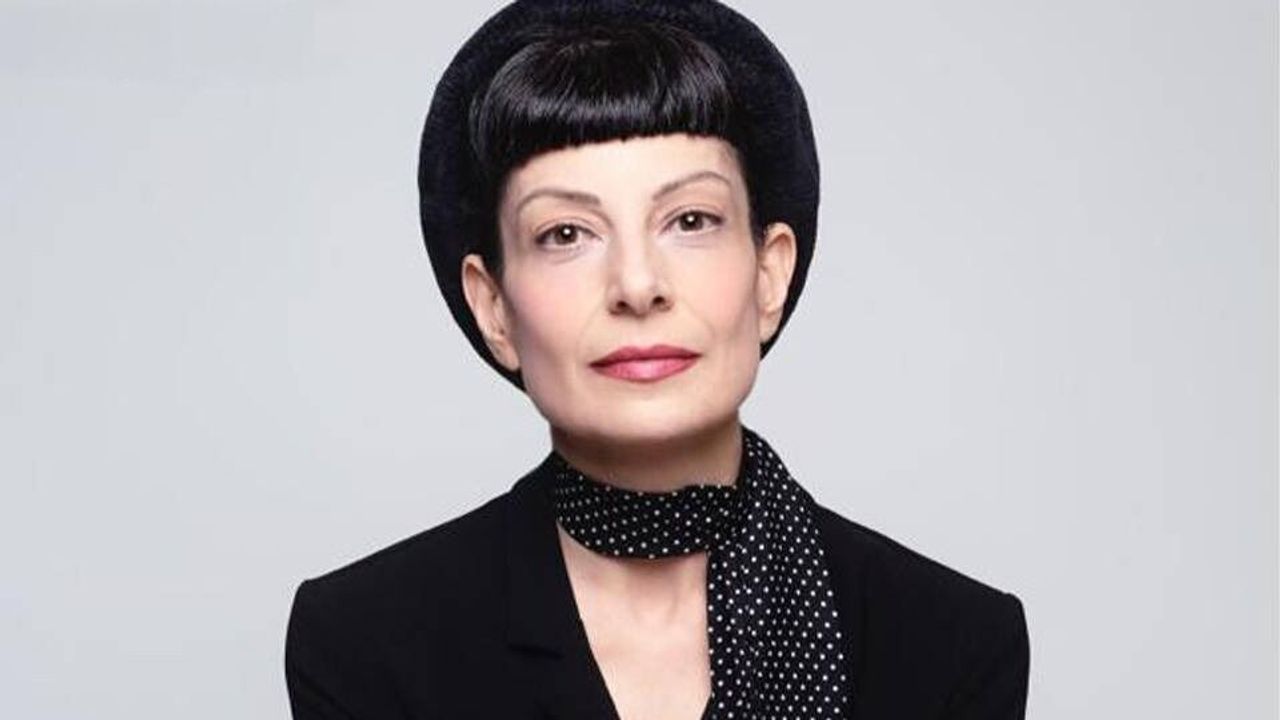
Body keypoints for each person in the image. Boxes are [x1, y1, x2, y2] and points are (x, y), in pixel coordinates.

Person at [283, 1, 1030, 718]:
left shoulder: (952, 645)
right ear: (494, 308)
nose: (638, 286)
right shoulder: (362, 642)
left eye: (691, 220)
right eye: (566, 234)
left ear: (770, 274)